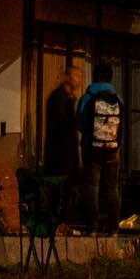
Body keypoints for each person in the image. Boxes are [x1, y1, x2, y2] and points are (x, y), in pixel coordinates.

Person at [75, 57, 126, 231]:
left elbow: (80, 123)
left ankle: (92, 228)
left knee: (92, 187)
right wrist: (117, 145)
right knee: (112, 189)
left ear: (94, 77)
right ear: (110, 78)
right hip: (112, 150)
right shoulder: (118, 99)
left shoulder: (87, 98)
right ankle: (113, 229)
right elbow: (122, 126)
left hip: (92, 149)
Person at [41, 55, 86, 230]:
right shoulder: (58, 99)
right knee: (59, 193)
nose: (80, 81)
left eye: (81, 77)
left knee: (66, 194)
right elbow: (62, 129)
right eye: (77, 76)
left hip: (67, 157)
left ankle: (60, 223)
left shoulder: (67, 100)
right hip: (59, 157)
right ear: (68, 78)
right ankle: (56, 224)